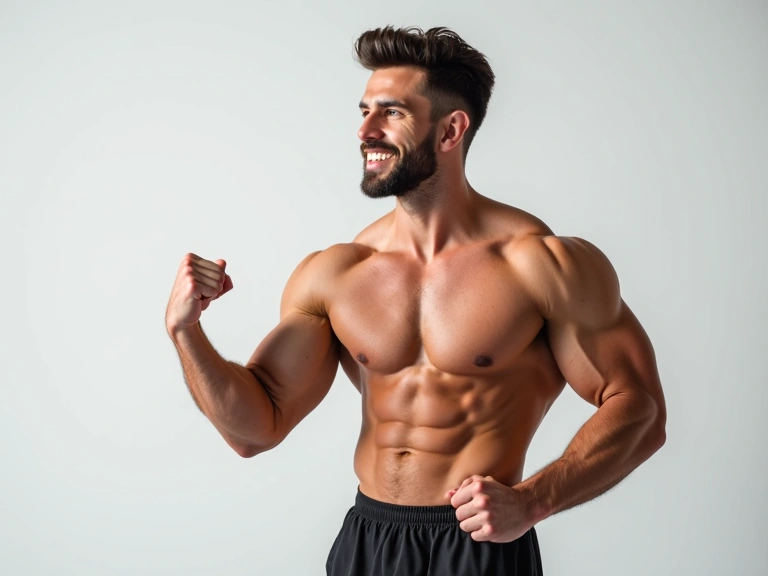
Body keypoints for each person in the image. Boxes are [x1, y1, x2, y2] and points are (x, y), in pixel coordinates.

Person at [165, 26, 667, 576]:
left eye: (391, 113)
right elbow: (254, 430)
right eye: (363, 111)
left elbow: (640, 409)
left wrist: (533, 501)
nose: (365, 130)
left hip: (477, 545)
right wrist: (187, 332)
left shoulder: (540, 265)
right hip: (369, 539)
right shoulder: (337, 272)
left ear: (450, 130)